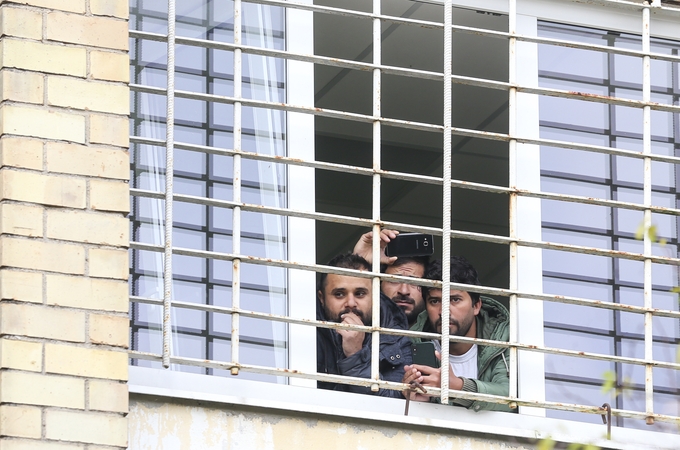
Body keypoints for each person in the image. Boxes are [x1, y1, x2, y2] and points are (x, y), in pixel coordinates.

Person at [402, 257, 512, 412]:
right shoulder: (411, 342)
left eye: (455, 299)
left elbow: (510, 399)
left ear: (476, 306)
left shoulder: (502, 339)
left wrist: (458, 387)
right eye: (435, 301)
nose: (444, 311)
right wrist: (417, 402)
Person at [317, 253, 413, 398]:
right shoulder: (304, 328)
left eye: (360, 293)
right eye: (339, 294)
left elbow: (392, 404)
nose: (351, 303)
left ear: (375, 296)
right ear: (322, 298)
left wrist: (355, 355)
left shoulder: (396, 338)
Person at [352, 229, 428, 327]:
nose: (403, 291)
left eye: (414, 281)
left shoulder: (441, 331)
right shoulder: (362, 328)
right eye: (394, 280)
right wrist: (358, 264)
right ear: (379, 282)